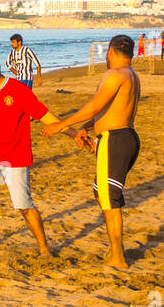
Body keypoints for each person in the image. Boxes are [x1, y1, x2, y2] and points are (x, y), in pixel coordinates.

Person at [0, 49, 75, 256]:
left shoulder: (18, 90)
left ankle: (44, 248)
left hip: (16, 158)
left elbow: (45, 115)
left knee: (24, 207)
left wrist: (74, 133)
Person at [43, 35, 141, 269]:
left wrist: (61, 124)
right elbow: (109, 109)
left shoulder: (115, 74)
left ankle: (117, 257)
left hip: (115, 139)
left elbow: (94, 107)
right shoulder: (131, 75)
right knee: (102, 192)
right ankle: (116, 253)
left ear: (110, 51)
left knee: (109, 200)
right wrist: (85, 129)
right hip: (126, 137)